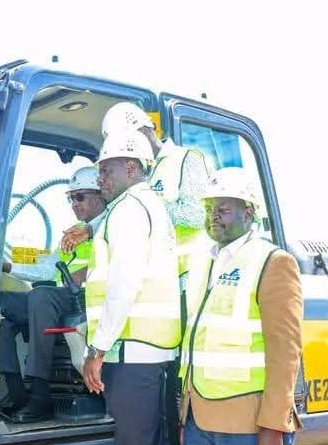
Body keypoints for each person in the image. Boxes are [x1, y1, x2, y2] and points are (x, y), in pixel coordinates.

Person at [179, 167, 303, 445]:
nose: (213, 215)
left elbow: (285, 351)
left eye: (222, 209)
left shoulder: (273, 261)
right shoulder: (203, 262)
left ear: (248, 213)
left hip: (246, 423)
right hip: (199, 419)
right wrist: (185, 417)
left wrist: (274, 426)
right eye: (209, 209)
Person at [83, 130, 181, 445]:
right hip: (149, 352)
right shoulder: (151, 206)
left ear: (130, 167)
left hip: (131, 352)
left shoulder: (128, 209)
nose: (100, 179)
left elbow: (123, 284)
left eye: (106, 170)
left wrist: (97, 349)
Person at [0, 166, 106, 423]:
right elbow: (47, 268)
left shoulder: (110, 225)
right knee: (0, 305)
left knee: (40, 296)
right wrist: (6, 267)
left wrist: (87, 273)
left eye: (80, 197)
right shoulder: (74, 232)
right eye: (71, 198)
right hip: (64, 297)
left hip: (91, 298)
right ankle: (15, 392)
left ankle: (40, 393)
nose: (74, 203)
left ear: (100, 195)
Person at [63, 102, 211, 273]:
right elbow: (123, 214)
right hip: (146, 272)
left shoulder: (187, 159)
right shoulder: (129, 168)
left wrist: (144, 205)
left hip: (184, 274)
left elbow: (198, 215)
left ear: (143, 131)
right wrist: (90, 229)